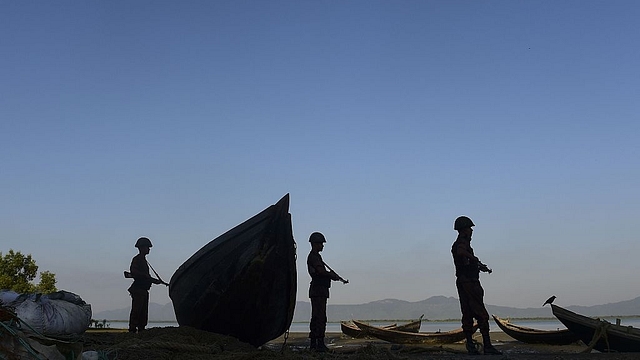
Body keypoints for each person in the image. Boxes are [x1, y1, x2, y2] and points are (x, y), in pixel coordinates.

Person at [451, 216, 502, 355]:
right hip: (470, 282)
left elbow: (463, 258)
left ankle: (471, 347)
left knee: (467, 313)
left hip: (463, 281)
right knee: (481, 314)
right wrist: (475, 259)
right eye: (470, 228)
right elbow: (461, 252)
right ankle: (487, 346)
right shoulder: (462, 243)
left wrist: (479, 265)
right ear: (464, 230)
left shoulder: (460, 244)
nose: (471, 231)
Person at [307, 232, 343, 352]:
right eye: (321, 243)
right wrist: (332, 276)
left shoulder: (316, 256)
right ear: (315, 244)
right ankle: (319, 344)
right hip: (318, 290)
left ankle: (314, 343)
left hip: (318, 290)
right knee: (320, 317)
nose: (322, 246)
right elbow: (321, 272)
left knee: (317, 316)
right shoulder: (314, 257)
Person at [127, 237, 163, 333]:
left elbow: (145, 277)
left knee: (143, 312)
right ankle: (132, 329)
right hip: (138, 290)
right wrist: (146, 276)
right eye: (147, 247)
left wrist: (155, 281)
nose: (149, 249)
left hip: (143, 290)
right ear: (142, 248)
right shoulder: (137, 259)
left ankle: (141, 328)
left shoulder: (143, 260)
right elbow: (134, 272)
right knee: (137, 311)